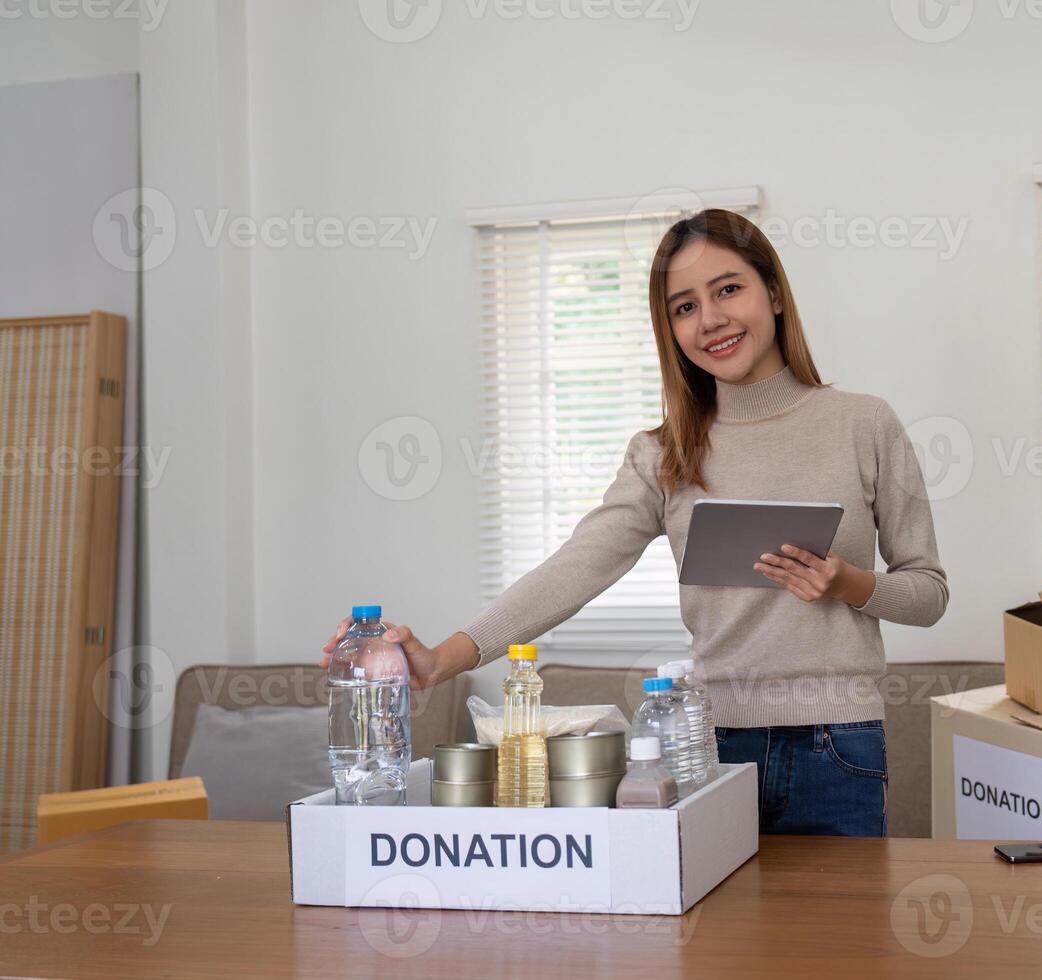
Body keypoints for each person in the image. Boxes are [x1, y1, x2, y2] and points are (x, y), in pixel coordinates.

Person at [320, 208, 947, 836]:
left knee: (838, 939)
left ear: (775, 293)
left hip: (839, 747)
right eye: (684, 306)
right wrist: (438, 661)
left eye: (729, 289)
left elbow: (928, 594)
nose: (711, 320)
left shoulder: (864, 425)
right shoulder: (664, 454)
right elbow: (573, 569)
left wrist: (848, 585)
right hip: (710, 746)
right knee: (718, 937)